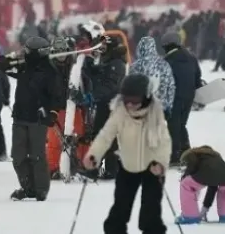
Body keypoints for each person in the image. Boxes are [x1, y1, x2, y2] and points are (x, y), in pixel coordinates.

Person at [83, 73, 171, 234]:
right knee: (121, 207)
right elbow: (106, 136)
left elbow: (164, 143)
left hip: (152, 167)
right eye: (127, 100)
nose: (130, 104)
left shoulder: (155, 114)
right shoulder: (119, 113)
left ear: (146, 97)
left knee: (151, 211)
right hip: (127, 165)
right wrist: (94, 155)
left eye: (135, 101)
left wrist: (160, 163)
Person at [0, 35, 58, 201]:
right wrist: (5, 61)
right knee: (18, 156)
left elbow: (56, 96)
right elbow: (4, 66)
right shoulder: (24, 67)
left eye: (28, 51)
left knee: (37, 155)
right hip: (20, 116)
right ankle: (28, 187)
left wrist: (52, 112)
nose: (25, 53)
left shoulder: (49, 72)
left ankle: (41, 189)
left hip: (38, 118)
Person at [159, 32, 203, 165]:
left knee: (173, 126)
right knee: (181, 124)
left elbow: (163, 82)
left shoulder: (167, 61)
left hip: (174, 98)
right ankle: (185, 151)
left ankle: (175, 155)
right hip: (189, 96)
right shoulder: (192, 57)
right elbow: (197, 76)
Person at [88, 34, 127, 179]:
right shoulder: (110, 61)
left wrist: (93, 95)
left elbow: (110, 85)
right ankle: (110, 169)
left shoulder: (116, 63)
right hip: (107, 104)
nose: (101, 49)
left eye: (104, 47)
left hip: (110, 105)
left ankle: (98, 169)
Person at [175, 145, 225, 224]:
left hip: (208, 173)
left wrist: (185, 175)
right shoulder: (215, 156)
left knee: (186, 184)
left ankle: (190, 217)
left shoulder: (192, 153)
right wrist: (205, 209)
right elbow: (213, 187)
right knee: (224, 193)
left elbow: (192, 165)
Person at [45, 36, 75, 178]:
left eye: (63, 50)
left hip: (72, 107)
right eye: (58, 51)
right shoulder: (48, 67)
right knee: (54, 140)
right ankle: (52, 168)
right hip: (54, 108)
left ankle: (76, 166)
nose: (61, 54)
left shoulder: (74, 65)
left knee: (75, 138)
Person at [128, 36, 175, 114]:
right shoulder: (164, 64)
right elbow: (170, 87)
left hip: (139, 109)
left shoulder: (135, 67)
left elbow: (129, 88)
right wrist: (169, 106)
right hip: (160, 109)